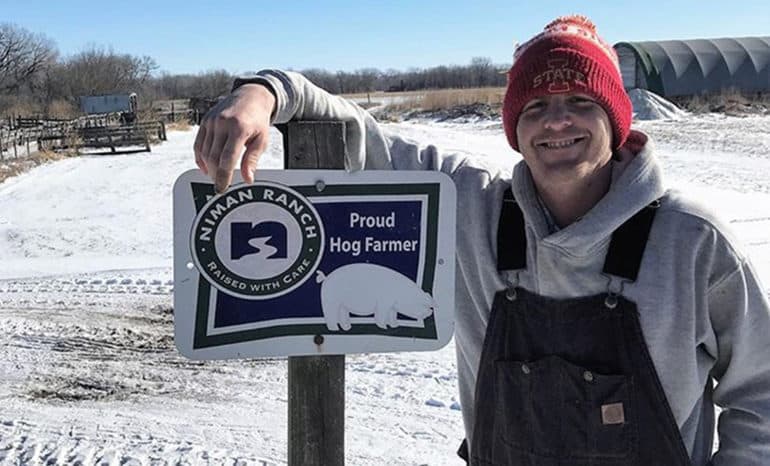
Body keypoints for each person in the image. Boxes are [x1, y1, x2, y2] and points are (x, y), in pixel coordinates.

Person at [194, 15, 770, 466]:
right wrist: (264, 92)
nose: (557, 122)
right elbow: (356, 137)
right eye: (537, 106)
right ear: (515, 128)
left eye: (580, 103)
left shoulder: (693, 242)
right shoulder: (472, 208)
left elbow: (760, 394)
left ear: (617, 118)